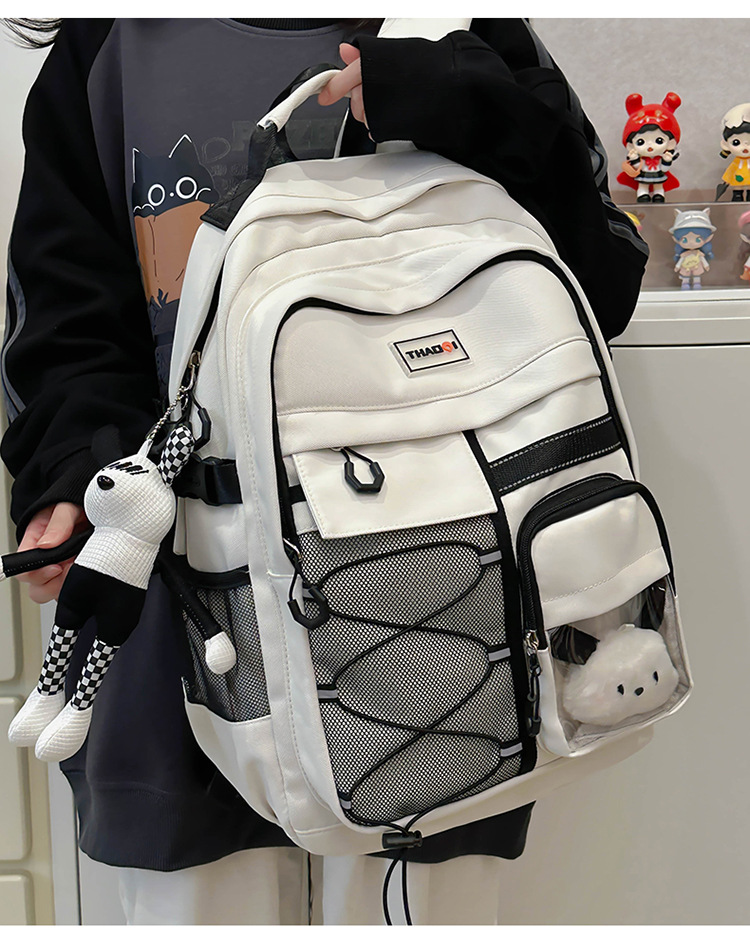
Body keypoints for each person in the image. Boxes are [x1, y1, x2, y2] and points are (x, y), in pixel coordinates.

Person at [1, 18, 648, 926]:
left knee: (418, 898)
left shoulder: (460, 28)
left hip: (442, 602)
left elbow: (600, 283)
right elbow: (62, 317)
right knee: (200, 900)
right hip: (184, 607)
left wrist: (459, 102)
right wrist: (76, 474)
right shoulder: (113, 46)